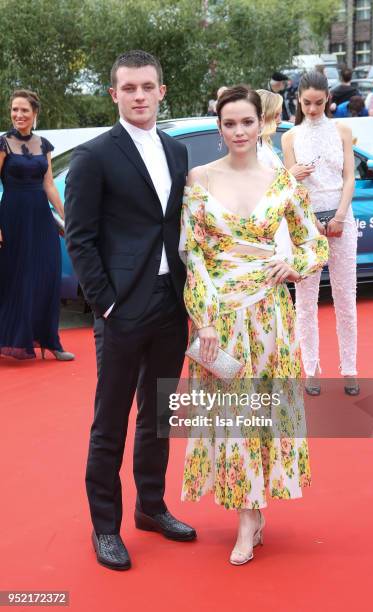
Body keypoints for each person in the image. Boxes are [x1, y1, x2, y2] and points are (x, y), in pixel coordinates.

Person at [179, 85, 328, 565]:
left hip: (270, 316)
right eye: (230, 123)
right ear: (219, 128)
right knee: (233, 419)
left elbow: (314, 243)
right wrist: (203, 318)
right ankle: (247, 516)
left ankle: (253, 512)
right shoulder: (199, 178)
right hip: (219, 318)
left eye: (247, 122)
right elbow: (194, 255)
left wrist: (295, 266)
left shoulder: (281, 180)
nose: (239, 131)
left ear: (260, 125)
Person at [64, 50, 196, 572]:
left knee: (159, 414)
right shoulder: (94, 156)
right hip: (122, 309)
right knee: (110, 421)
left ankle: (151, 506)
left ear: (162, 91)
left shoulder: (177, 150)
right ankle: (105, 527)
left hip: (171, 302)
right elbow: (80, 238)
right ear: (114, 94)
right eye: (128, 87)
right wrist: (107, 303)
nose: (139, 95)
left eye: (147, 86)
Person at [282, 71, 359, 396]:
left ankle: (350, 369)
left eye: (318, 102)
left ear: (327, 99)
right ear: (298, 100)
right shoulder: (290, 137)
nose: (312, 109)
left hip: (342, 217)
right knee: (306, 302)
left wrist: (340, 216)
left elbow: (349, 178)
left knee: (345, 299)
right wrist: (308, 221)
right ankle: (311, 369)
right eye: (306, 103)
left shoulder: (342, 130)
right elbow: (291, 186)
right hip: (307, 225)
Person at [0, 90, 74, 361]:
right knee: (13, 279)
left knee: (46, 276)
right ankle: (8, 338)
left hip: (41, 218)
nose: (18, 115)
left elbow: (49, 185)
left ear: (35, 114)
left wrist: (68, 217)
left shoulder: (44, 144)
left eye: (24, 110)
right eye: (14, 110)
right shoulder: (3, 143)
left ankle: (50, 341)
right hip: (12, 218)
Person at [256, 89, 292, 260]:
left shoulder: (264, 145)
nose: (279, 120)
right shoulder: (257, 150)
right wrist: (292, 175)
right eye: (276, 115)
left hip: (276, 229)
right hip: (269, 233)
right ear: (265, 116)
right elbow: (262, 191)